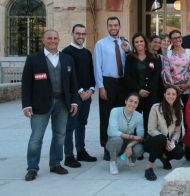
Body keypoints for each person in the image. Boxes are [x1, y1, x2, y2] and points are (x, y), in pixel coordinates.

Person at [22, 29, 79, 181]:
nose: (53, 41)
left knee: (60, 135)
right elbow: (26, 84)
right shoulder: (33, 59)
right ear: (43, 40)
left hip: (62, 103)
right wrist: (26, 105)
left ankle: (55, 163)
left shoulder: (67, 59)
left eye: (55, 38)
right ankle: (32, 168)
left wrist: (74, 101)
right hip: (40, 104)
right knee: (36, 137)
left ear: (59, 40)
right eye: (49, 38)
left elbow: (73, 83)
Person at [94, 16, 131, 160]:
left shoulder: (125, 43)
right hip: (108, 82)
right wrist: (101, 87)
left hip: (122, 83)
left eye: (116, 25)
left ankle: (119, 146)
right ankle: (106, 147)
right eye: (110, 25)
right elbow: (97, 67)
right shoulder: (100, 44)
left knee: (120, 116)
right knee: (106, 116)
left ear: (119, 26)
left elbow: (130, 60)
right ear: (107, 27)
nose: (113, 27)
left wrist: (127, 50)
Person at [62, 24, 97, 167]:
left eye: (83, 34)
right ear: (72, 33)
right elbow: (68, 76)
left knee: (82, 124)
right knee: (70, 126)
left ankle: (81, 151)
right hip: (73, 96)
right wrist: (80, 91)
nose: (81, 36)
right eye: (78, 33)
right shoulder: (66, 52)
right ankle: (69, 156)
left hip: (87, 95)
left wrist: (91, 90)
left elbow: (91, 73)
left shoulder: (87, 53)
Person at [143, 86, 184, 181]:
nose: (171, 96)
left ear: (177, 96)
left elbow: (177, 131)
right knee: (161, 139)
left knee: (180, 152)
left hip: (168, 141)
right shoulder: (156, 108)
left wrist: (172, 142)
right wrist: (165, 141)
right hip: (153, 140)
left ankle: (164, 157)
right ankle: (149, 168)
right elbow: (151, 129)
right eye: (168, 94)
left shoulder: (179, 111)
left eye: (173, 94)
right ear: (164, 95)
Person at [125, 33, 163, 132]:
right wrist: (139, 90)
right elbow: (128, 76)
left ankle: (147, 143)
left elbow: (156, 77)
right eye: (136, 42)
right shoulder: (130, 58)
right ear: (133, 44)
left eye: (141, 41)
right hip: (135, 94)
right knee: (134, 120)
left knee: (149, 121)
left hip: (150, 94)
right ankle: (134, 142)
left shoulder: (153, 57)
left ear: (145, 42)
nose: (139, 44)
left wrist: (148, 90)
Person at [106, 93, 145, 175]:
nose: (132, 104)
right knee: (117, 139)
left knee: (139, 149)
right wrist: (132, 136)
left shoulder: (139, 116)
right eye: (130, 101)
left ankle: (130, 157)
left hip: (128, 141)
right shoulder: (115, 111)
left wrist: (129, 146)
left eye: (135, 102)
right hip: (114, 140)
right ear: (125, 101)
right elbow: (114, 132)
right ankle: (113, 162)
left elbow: (140, 136)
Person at [162, 30, 190, 104]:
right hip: (173, 91)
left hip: (188, 88)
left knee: (188, 112)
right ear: (171, 40)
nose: (177, 39)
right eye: (174, 38)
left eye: (179, 37)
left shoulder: (188, 52)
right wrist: (175, 87)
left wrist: (188, 84)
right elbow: (166, 72)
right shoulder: (168, 54)